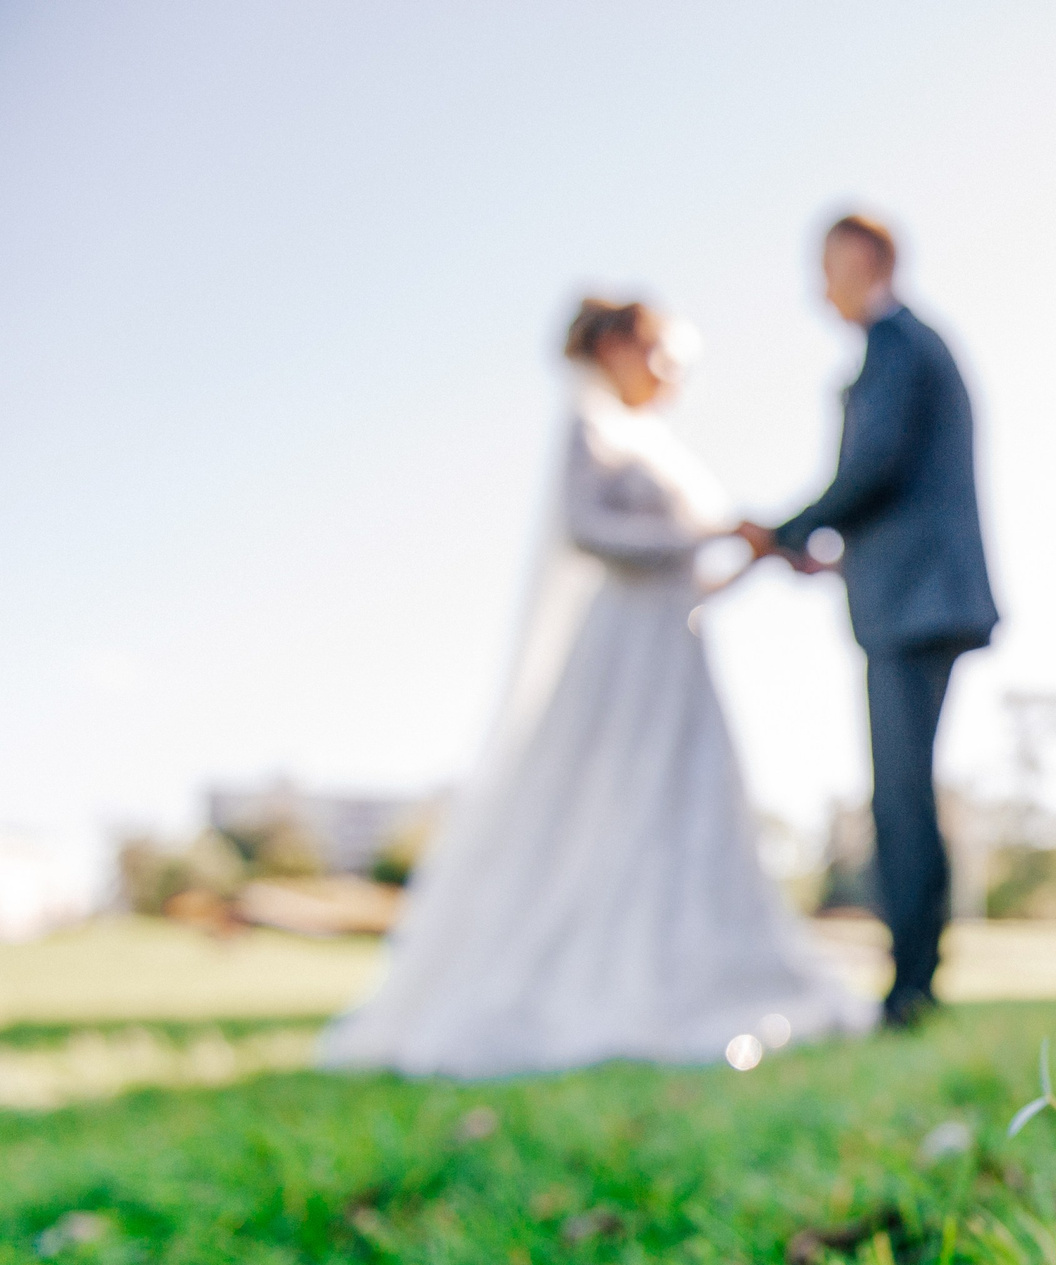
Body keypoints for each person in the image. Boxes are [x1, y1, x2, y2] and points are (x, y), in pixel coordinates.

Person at [319, 299, 870, 1078]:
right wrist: (715, 531)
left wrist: (765, 550)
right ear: (616, 345)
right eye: (663, 357)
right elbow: (590, 531)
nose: (673, 377)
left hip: (676, 647)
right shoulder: (589, 426)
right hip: (621, 651)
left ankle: (697, 969)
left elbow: (695, 573)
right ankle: (606, 983)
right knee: (617, 801)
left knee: (691, 807)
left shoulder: (653, 440)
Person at [738, 214, 997, 1030]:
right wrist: (834, 552)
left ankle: (911, 987)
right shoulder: (915, 346)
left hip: (917, 603)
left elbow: (871, 467)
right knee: (905, 790)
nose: (823, 288)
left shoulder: (895, 344)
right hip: (918, 592)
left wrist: (785, 530)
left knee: (900, 797)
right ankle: (915, 977)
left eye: (831, 267)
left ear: (872, 262)